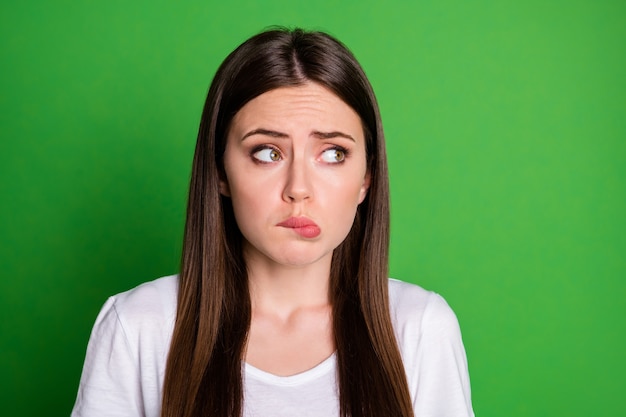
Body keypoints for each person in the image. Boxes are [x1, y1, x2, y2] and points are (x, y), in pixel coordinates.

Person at [71, 28, 474, 417]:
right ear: (220, 173)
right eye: (267, 152)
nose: (299, 188)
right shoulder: (139, 327)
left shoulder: (419, 328)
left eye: (333, 153)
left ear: (366, 179)